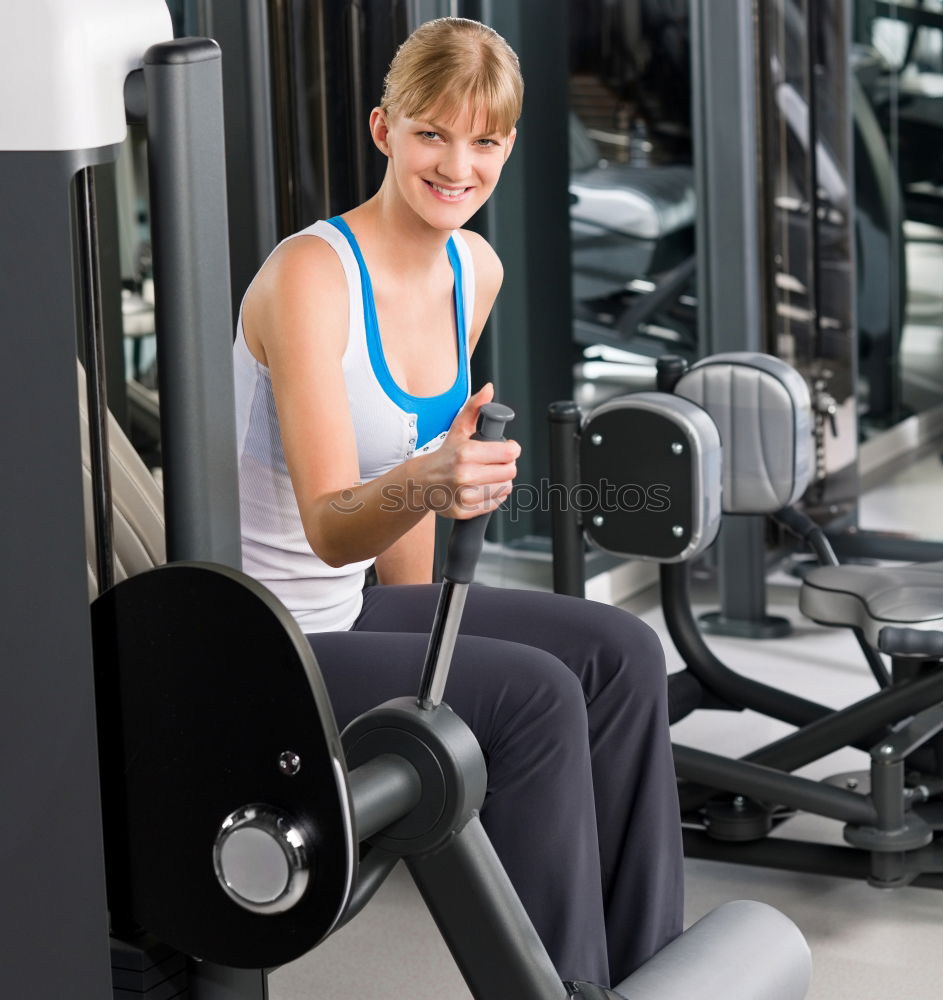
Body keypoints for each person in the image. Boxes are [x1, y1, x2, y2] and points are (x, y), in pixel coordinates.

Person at [233, 16, 683, 988]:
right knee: (535, 696)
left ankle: (648, 966)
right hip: (270, 642)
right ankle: (561, 983)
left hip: (353, 611)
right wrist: (434, 480)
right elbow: (330, 522)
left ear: (508, 146)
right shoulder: (311, 275)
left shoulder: (472, 270)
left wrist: (430, 635)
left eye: (483, 140)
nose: (457, 164)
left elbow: (402, 538)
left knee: (625, 651)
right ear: (383, 129)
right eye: (432, 133)